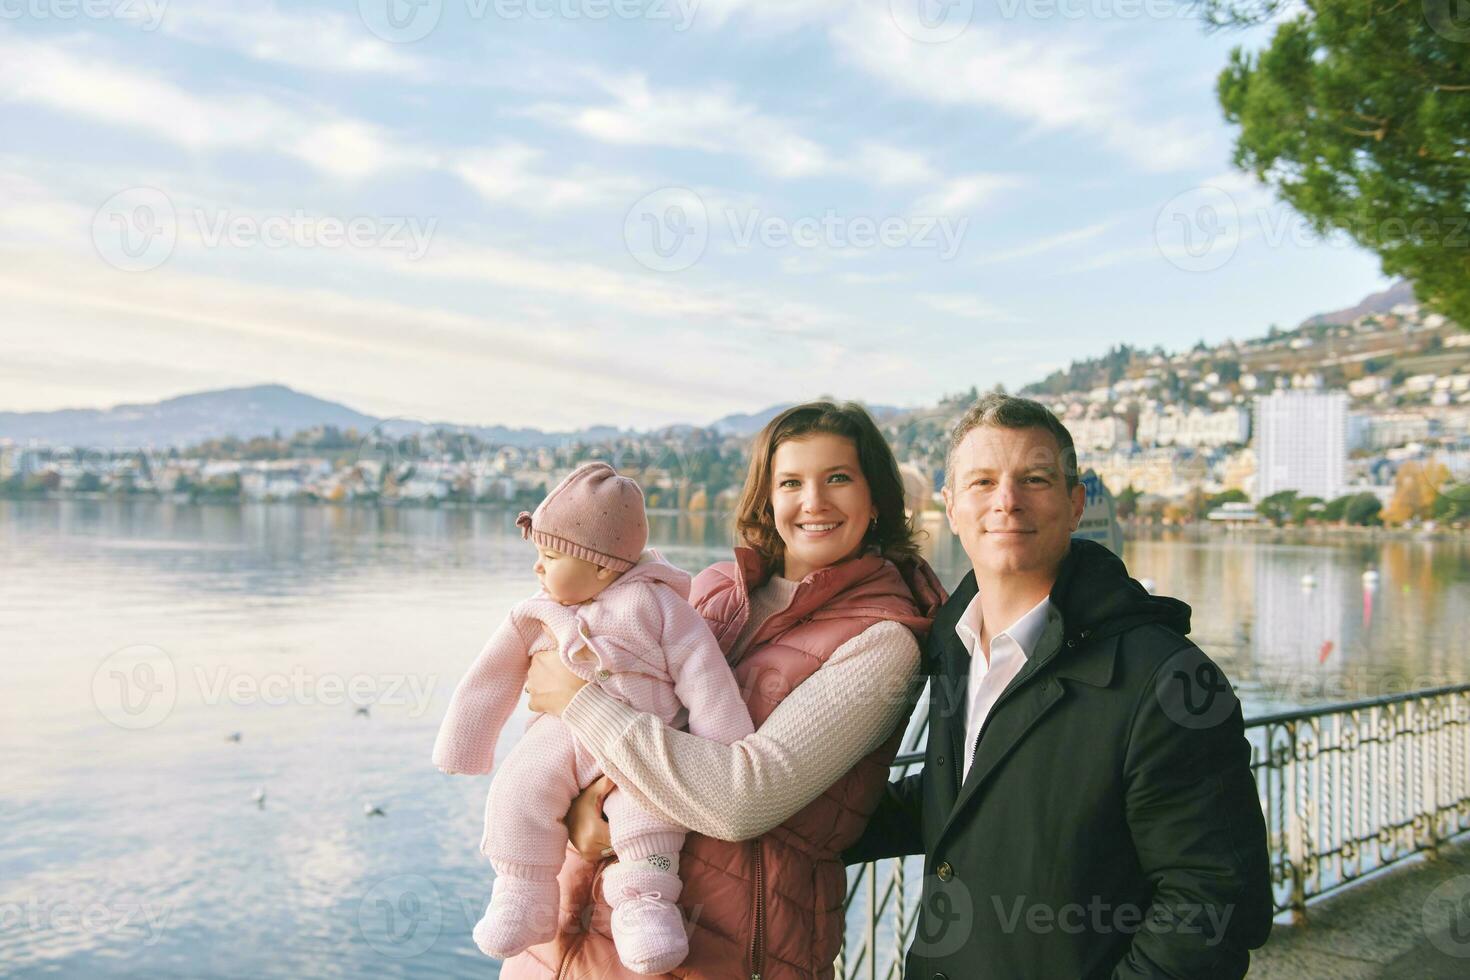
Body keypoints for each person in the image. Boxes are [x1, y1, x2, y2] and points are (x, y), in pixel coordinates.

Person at [508, 401, 945, 979]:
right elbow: (583, 730)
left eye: (837, 478)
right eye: (790, 482)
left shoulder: (883, 641)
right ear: (767, 497)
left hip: (722, 955)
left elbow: (743, 800)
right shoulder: (712, 589)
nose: (812, 501)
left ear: (878, 500)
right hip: (565, 942)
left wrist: (577, 699)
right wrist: (574, 816)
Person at [843, 393, 1273, 979]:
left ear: (1075, 505)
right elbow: (972, 795)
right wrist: (795, 824)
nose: (1007, 501)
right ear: (950, 506)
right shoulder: (954, 642)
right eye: (982, 482)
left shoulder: (1167, 680)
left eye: (1035, 479)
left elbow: (1212, 906)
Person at [432, 462, 754, 973]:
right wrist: (463, 746)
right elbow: (488, 680)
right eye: (538, 554)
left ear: (603, 566)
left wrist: (725, 745)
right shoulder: (534, 613)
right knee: (517, 790)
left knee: (648, 814)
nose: (538, 568)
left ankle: (646, 906)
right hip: (558, 738)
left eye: (551, 555)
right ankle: (522, 892)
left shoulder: (659, 607)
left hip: (642, 740)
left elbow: (704, 673)